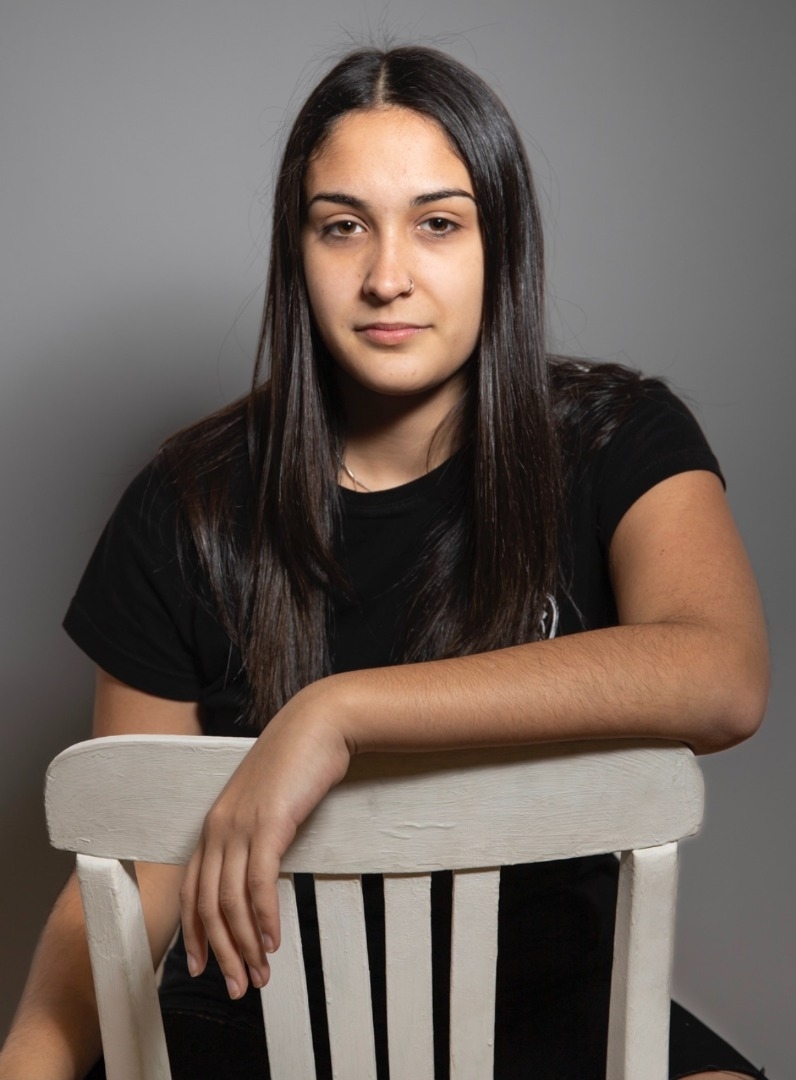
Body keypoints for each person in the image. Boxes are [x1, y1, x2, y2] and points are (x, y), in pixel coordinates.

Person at [0, 45, 770, 1080]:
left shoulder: (616, 438)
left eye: (438, 223)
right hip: (255, 1027)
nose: (386, 277)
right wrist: (28, 1061)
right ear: (297, 251)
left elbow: (721, 677)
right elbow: (137, 873)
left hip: (550, 1007)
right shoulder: (185, 504)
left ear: (501, 245)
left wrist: (337, 714)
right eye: (343, 226)